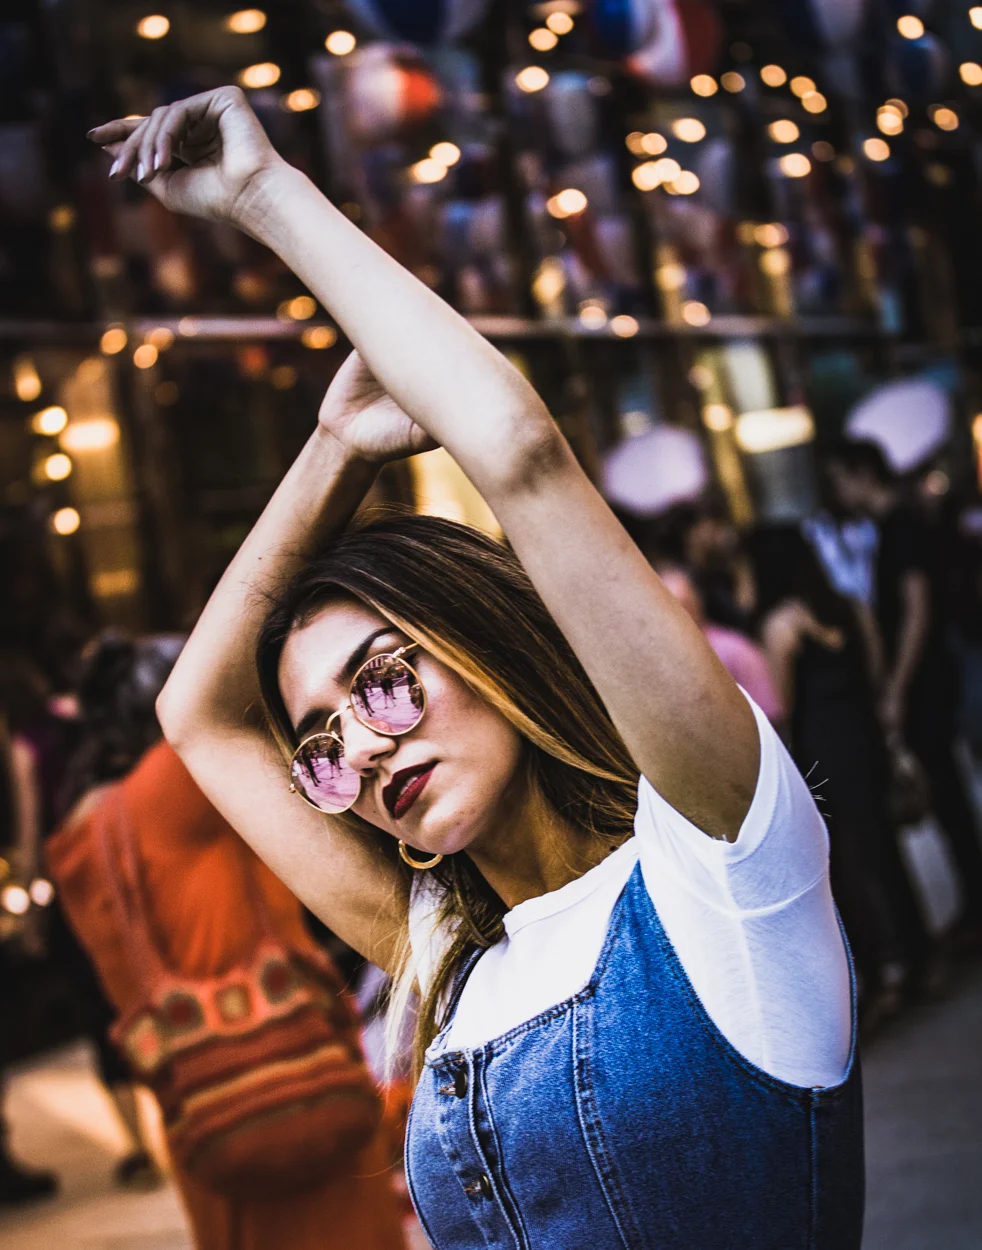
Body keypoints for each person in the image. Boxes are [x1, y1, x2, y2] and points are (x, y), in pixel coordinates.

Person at [89, 88, 863, 1249]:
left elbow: (521, 455)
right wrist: (331, 446)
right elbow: (195, 713)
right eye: (320, 742)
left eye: (383, 676)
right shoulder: (448, 951)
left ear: (486, 641)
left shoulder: (720, 864)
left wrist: (263, 195)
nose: (358, 742)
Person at [52, 636, 409, 1250]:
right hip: (296, 1086)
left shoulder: (83, 840)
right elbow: (210, 695)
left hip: (210, 1109)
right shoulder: (172, 794)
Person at [746, 527, 933, 1014]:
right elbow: (874, 671)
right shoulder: (850, 606)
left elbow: (781, 703)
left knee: (845, 865)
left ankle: (878, 969)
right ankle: (918, 955)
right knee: (887, 850)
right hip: (864, 741)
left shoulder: (780, 626)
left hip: (822, 755)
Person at [825, 440, 982, 943]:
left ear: (862, 472)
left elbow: (917, 608)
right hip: (928, 675)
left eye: (839, 477)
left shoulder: (901, 527)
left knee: (947, 789)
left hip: (926, 678)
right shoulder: (892, 527)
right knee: (947, 790)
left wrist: (897, 683)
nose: (838, 490)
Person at [656, 562, 785, 726]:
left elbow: (772, 716)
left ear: (698, 601)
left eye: (684, 604)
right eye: (668, 605)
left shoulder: (735, 650)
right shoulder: (655, 659)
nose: (678, 614)